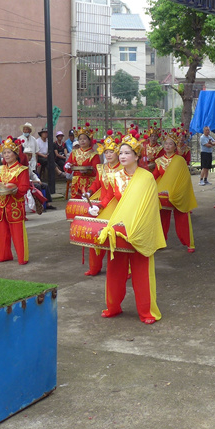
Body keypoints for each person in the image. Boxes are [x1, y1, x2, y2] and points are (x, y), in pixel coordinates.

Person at [89, 132, 166, 324]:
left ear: (137, 156)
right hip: (118, 230)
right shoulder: (115, 176)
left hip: (139, 229)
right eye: (121, 152)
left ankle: (147, 312)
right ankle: (113, 307)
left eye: (127, 153)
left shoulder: (146, 178)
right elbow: (108, 198)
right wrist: (98, 207)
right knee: (115, 270)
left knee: (142, 273)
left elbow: (150, 207)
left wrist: (138, 228)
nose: (122, 156)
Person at [81, 130, 123, 276]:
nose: (109, 155)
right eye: (106, 152)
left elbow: (113, 193)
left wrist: (100, 205)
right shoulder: (102, 168)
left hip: (117, 207)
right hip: (101, 206)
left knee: (117, 239)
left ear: (117, 153)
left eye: (111, 152)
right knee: (96, 237)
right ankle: (94, 267)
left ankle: (124, 270)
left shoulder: (123, 170)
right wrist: (89, 192)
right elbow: (97, 183)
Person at [0, 137, 31, 264]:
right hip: (1, 204)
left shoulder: (22, 169)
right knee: (1, 232)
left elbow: (24, 187)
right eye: (4, 153)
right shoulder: (1, 169)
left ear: (16, 154)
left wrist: (12, 188)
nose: (6, 155)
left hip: (14, 204)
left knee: (18, 232)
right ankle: (3, 255)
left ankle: (22, 257)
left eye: (9, 152)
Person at [153, 129, 197, 253]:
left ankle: (189, 243)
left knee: (182, 218)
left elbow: (185, 179)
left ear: (175, 146)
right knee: (161, 218)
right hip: (163, 195)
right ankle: (160, 242)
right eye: (166, 143)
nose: (167, 146)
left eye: (170, 144)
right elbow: (154, 176)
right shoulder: (159, 161)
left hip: (177, 193)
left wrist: (180, 193)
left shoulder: (180, 160)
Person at [65, 124, 99, 198]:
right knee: (76, 202)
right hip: (76, 182)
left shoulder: (94, 154)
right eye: (80, 139)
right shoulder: (74, 152)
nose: (82, 141)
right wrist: (68, 165)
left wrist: (88, 171)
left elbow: (96, 171)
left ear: (89, 140)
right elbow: (68, 165)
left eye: (84, 139)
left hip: (89, 182)